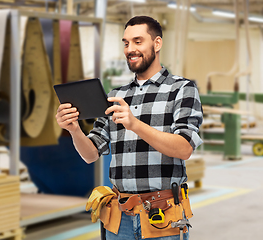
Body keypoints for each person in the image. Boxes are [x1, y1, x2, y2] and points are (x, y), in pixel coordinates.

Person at [56, 16, 203, 240]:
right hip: (120, 218)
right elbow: (90, 154)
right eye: (126, 43)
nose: (130, 49)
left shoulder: (181, 89)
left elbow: (184, 148)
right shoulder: (116, 95)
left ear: (157, 43)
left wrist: (134, 124)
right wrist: (74, 130)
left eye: (138, 41)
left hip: (162, 216)